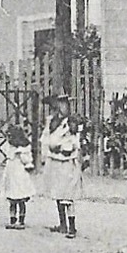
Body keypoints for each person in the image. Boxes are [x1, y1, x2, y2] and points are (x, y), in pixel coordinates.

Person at [40, 92, 83, 237]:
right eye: (59, 105)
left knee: (68, 195)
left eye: (65, 105)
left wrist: (64, 148)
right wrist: (48, 150)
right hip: (55, 162)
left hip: (67, 162)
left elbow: (75, 143)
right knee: (58, 193)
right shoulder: (51, 122)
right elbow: (46, 139)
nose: (62, 108)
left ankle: (72, 226)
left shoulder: (72, 123)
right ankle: (62, 224)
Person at [1, 124, 35, 229]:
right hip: (11, 174)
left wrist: (23, 157)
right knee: (12, 199)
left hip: (19, 174)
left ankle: (20, 220)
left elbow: (27, 160)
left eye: (10, 137)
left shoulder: (23, 149)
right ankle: (13, 219)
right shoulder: (10, 147)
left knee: (20, 198)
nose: (8, 139)